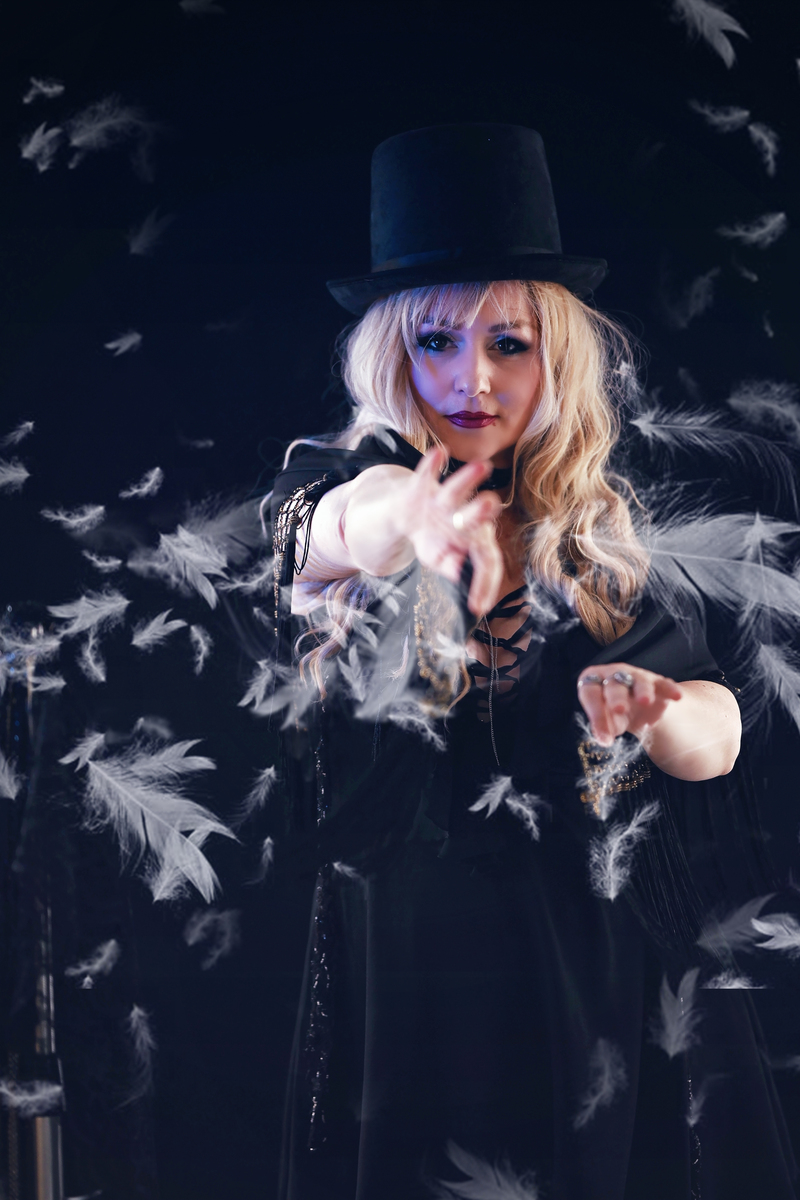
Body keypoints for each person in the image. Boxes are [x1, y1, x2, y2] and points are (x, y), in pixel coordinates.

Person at [268, 125, 797, 1200]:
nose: (472, 379)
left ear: (554, 356)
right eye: (437, 342)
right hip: (411, 990)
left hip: (601, 973)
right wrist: (409, 517)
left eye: (507, 343)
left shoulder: (594, 530)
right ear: (392, 355)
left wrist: (657, 707)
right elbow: (335, 527)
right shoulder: (339, 487)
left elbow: (717, 736)